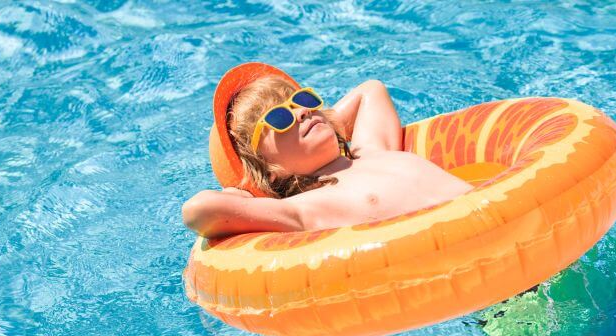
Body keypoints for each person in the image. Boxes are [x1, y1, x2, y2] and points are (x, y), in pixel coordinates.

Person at [182, 63, 472, 238]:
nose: (301, 113)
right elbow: (198, 210)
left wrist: (326, 123)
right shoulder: (304, 209)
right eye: (279, 118)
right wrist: (247, 188)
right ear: (269, 171)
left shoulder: (370, 150)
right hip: (485, 276)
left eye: (302, 100)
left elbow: (370, 91)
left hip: (507, 223)